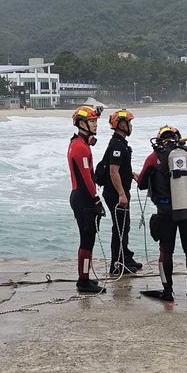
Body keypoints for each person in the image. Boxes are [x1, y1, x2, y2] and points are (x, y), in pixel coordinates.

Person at [137, 125, 187, 301]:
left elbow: (142, 184)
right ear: (178, 138)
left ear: (159, 140)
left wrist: (137, 175)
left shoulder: (154, 157)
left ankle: (167, 292)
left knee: (166, 251)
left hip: (165, 212)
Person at [67, 105, 106, 293]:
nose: (95, 125)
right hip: (83, 199)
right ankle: (83, 281)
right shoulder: (80, 147)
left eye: (96, 121)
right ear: (81, 124)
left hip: (82, 197)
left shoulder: (79, 143)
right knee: (86, 240)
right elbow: (86, 178)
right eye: (92, 121)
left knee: (88, 240)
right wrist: (97, 201)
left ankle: (85, 277)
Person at [102, 109, 142, 275]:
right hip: (115, 194)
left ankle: (125, 256)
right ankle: (117, 264)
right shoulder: (117, 145)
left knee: (124, 227)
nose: (131, 126)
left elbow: (119, 169)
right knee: (119, 228)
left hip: (120, 191)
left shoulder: (121, 143)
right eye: (129, 123)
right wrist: (121, 194)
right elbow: (113, 171)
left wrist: (131, 175)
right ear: (121, 125)